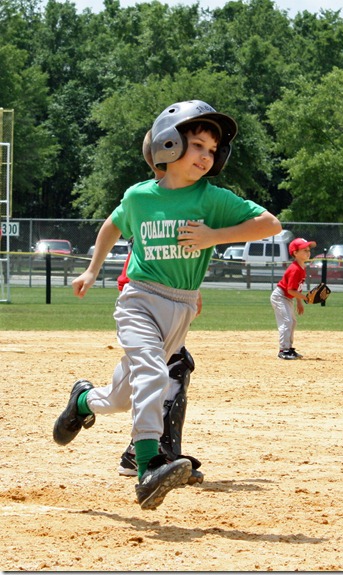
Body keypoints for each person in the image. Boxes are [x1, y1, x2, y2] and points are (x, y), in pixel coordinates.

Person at [52, 100, 281, 510]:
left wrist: (214, 237)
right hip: (139, 300)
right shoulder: (140, 197)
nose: (206, 156)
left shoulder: (211, 198)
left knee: (121, 398)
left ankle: (82, 401)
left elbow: (270, 224)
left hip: (181, 308)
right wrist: (91, 269)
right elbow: (112, 225)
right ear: (168, 143)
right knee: (155, 375)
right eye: (198, 145)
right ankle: (147, 466)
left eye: (213, 150)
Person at [115, 131, 204, 485]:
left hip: (166, 298)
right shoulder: (149, 198)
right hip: (145, 296)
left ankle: (89, 406)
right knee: (171, 367)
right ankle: (151, 453)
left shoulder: (174, 197)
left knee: (132, 382)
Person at [270, 237, 316, 360]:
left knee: (292, 322)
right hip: (280, 296)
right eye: (304, 250)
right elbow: (290, 290)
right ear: (295, 253)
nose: (308, 252)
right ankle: (283, 350)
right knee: (287, 321)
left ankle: (289, 348)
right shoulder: (295, 269)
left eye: (308, 250)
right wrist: (306, 297)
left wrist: (300, 302)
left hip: (287, 297)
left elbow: (297, 288)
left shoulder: (302, 268)